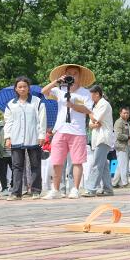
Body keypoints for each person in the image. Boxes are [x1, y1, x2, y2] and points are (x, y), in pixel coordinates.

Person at [41, 64, 95, 199]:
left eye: (75, 73)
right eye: (69, 73)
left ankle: (75, 189)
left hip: (78, 131)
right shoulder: (59, 90)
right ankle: (55, 189)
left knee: (77, 161)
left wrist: (73, 105)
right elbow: (44, 91)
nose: (72, 76)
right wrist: (56, 81)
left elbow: (88, 110)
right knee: (56, 161)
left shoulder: (85, 92)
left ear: (80, 76)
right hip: (60, 129)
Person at [2, 76, 46, 199]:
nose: (22, 89)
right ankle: (16, 193)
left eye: (24, 86)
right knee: (17, 166)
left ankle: (36, 191)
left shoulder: (37, 102)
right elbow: (8, 122)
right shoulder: (11, 104)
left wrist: (42, 135)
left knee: (35, 164)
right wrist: (7, 137)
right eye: (20, 87)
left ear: (28, 88)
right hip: (16, 138)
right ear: (16, 89)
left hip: (34, 137)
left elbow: (42, 120)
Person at [81, 85, 114, 197]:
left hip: (103, 138)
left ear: (97, 94)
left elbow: (95, 119)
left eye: (90, 94)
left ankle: (91, 189)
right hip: (98, 139)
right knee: (103, 165)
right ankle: (108, 189)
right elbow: (91, 124)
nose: (88, 97)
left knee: (96, 164)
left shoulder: (104, 104)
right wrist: (94, 121)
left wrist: (88, 111)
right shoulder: (95, 106)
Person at [112, 106, 130, 188]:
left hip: (126, 146)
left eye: (127, 113)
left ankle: (114, 183)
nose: (126, 114)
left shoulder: (127, 122)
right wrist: (129, 137)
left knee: (120, 166)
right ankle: (125, 183)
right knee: (124, 166)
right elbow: (118, 135)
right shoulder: (119, 122)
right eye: (124, 113)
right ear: (120, 113)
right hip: (121, 146)